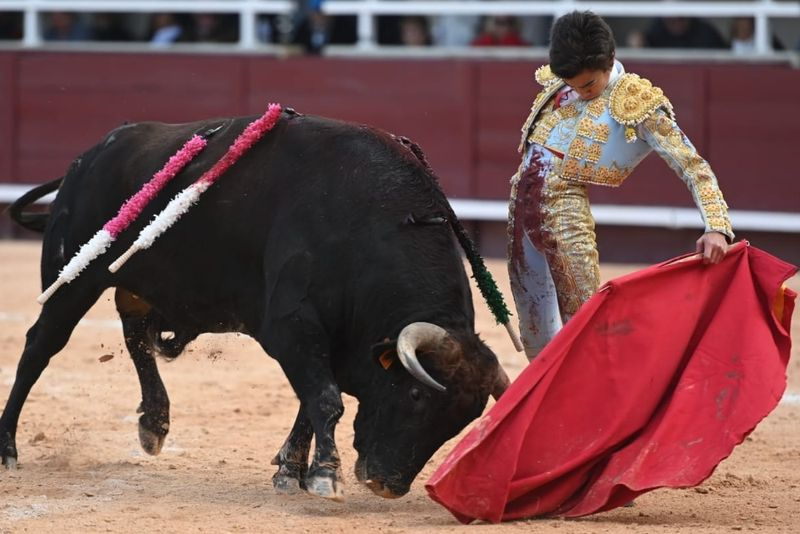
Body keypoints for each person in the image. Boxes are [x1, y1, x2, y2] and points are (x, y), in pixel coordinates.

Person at [508, 11, 733, 360]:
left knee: (583, 328)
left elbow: (692, 164)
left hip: (565, 216)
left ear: (610, 60)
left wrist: (717, 226)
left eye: (587, 86)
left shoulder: (635, 101)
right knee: (535, 335)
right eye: (571, 85)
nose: (578, 93)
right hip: (520, 212)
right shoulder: (562, 83)